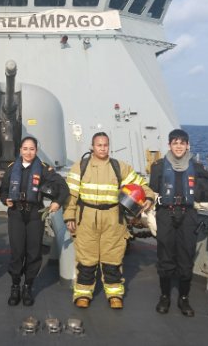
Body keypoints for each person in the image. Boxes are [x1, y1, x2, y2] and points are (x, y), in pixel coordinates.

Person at [63, 132, 154, 309]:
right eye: (99, 145)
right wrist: (69, 216)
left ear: (108, 147)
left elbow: (142, 184)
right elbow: (71, 195)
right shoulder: (80, 167)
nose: (102, 148)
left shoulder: (120, 167)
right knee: (86, 259)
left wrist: (149, 197)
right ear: (92, 147)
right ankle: (83, 293)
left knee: (112, 258)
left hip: (113, 218)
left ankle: (114, 293)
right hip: (86, 218)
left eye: (105, 145)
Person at [149, 129, 208, 317]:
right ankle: (165, 296)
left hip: (188, 215)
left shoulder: (198, 167)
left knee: (186, 257)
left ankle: (183, 298)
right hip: (165, 214)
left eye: (182, 143)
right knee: (165, 256)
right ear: (169, 145)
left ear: (188, 145)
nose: (178, 146)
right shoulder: (159, 167)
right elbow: (152, 191)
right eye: (175, 142)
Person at [0, 137, 69, 306]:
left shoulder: (44, 170)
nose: (28, 152)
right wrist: (5, 200)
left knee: (33, 252)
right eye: (25, 149)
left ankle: (28, 286)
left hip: (35, 215)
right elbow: (3, 190)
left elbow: (62, 187)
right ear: (20, 150)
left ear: (36, 150)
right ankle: (15, 285)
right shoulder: (11, 169)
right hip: (16, 214)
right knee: (17, 253)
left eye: (32, 149)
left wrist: (57, 202)